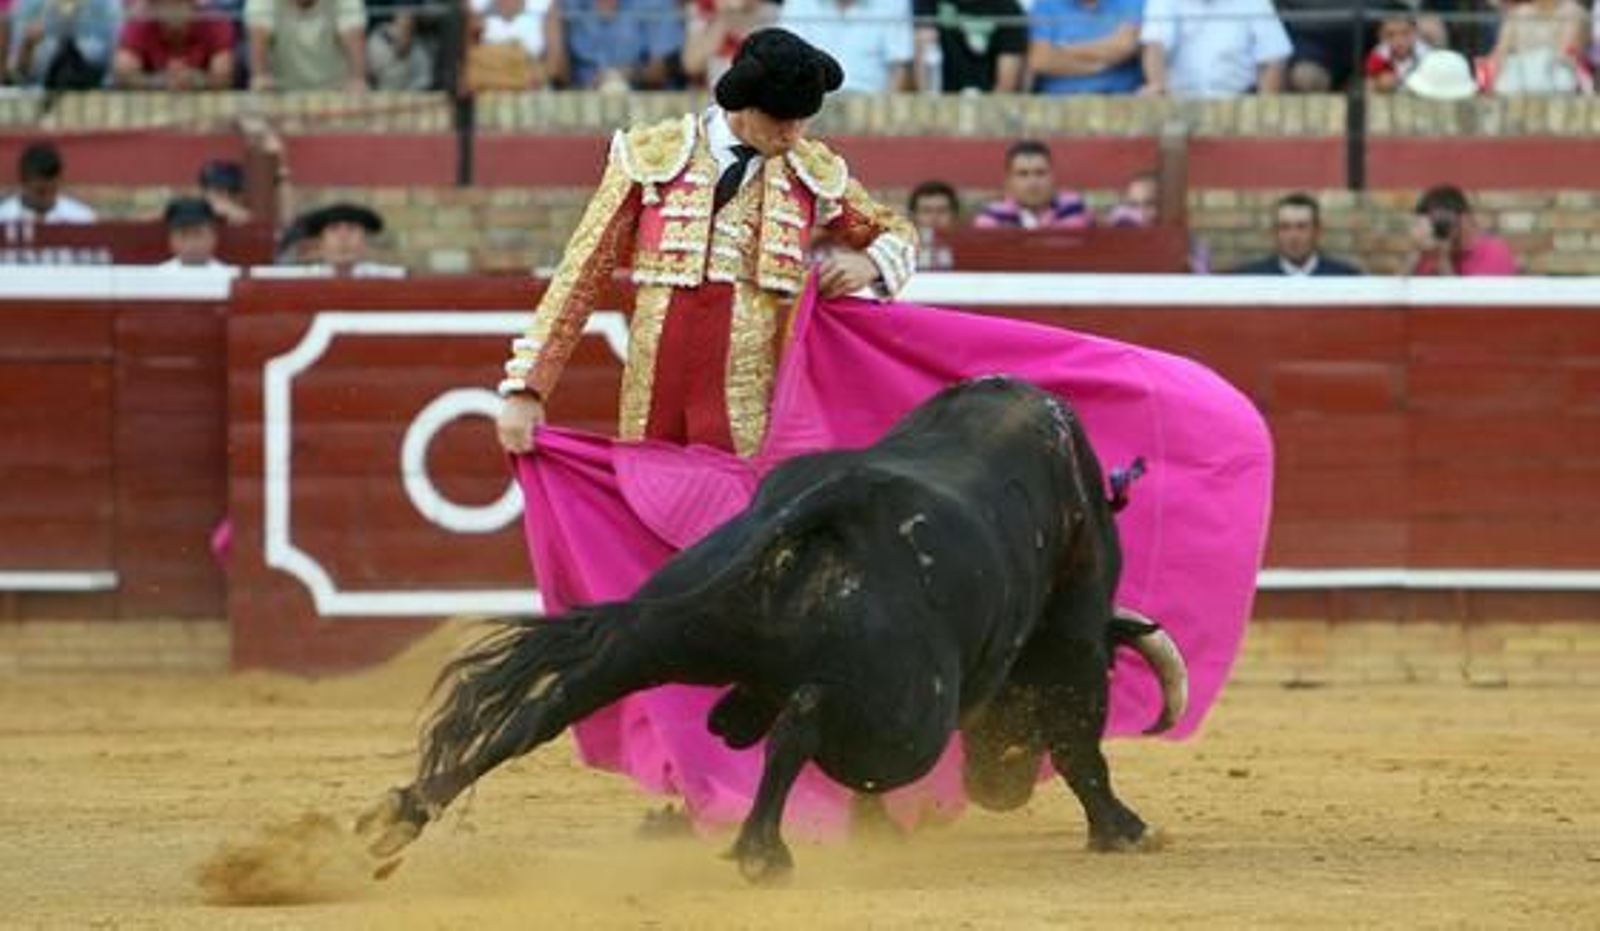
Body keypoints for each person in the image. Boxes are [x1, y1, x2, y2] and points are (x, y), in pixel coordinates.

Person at [497, 28, 916, 461]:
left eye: (803, 119)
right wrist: (526, 388)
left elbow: (896, 231)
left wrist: (871, 264)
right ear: (742, 104)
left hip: (750, 393)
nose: (793, 133)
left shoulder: (811, 172)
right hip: (653, 387)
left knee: (744, 518)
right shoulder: (653, 155)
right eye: (780, 119)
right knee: (649, 506)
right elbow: (582, 272)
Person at [1138, 0, 1292, 97]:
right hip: (1178, 105)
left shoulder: (1255, 2)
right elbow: (1154, 47)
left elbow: (1274, 58)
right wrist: (1158, 86)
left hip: (1240, 104)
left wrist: (1263, 113)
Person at [778, 0, 914, 93]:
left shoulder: (894, 4)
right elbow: (787, 61)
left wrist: (883, 115)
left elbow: (899, 67)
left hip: (871, 105)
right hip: (811, 104)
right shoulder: (798, 2)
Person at [244, 0, 367, 91]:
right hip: (282, 94)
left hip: (336, 93)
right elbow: (258, 78)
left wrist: (357, 83)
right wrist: (261, 82)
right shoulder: (260, 3)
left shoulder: (348, 2)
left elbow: (358, 77)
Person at [111, 0, 235, 89]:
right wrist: (160, 81)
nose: (172, 7)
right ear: (153, 5)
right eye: (163, 2)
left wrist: (194, 80)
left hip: (204, 103)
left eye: (179, 2)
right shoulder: (139, 23)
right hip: (152, 102)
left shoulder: (214, 22)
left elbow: (224, 76)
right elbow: (122, 73)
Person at [1027, 0, 1142, 96]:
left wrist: (1062, 48)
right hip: (1057, 106)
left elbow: (1123, 46)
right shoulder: (1046, 4)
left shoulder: (1129, 1)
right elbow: (1040, 60)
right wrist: (1098, 66)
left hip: (1120, 101)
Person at [562, 0, 683, 90]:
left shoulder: (655, 3)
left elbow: (662, 69)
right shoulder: (567, 4)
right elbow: (555, 71)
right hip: (580, 100)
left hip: (642, 100)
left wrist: (628, 74)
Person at [1231, 192, 1360, 276]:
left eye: (1302, 227)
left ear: (1317, 232)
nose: (1293, 236)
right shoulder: (1251, 277)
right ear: (1274, 233)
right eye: (1285, 227)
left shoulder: (1345, 277)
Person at [973, 139, 1091, 229]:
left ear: (1052, 177)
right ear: (1009, 182)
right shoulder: (992, 217)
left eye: (1040, 173)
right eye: (1023, 174)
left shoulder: (1072, 207)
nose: (1033, 182)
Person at [915, 0, 1027, 93]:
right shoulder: (928, 2)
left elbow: (1006, 82)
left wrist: (987, 115)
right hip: (941, 100)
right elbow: (923, 54)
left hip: (986, 103)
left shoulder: (1008, 8)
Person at [1405, 184, 1517, 277]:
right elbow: (1398, 296)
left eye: (1444, 219)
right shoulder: (1430, 253)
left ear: (1464, 218)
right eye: (1432, 221)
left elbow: (1466, 301)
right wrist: (1415, 252)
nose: (1440, 227)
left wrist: (1443, 259)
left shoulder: (1493, 251)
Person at [6, 0, 120, 88]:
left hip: (95, 94)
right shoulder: (29, 4)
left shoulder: (107, 4)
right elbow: (18, 74)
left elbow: (112, 72)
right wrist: (27, 46)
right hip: (39, 93)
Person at [1487, 0, 1589, 96]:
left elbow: (1568, 53)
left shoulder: (1574, 13)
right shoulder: (1518, 14)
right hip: (1518, 78)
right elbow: (1499, 54)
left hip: (1557, 76)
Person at [465, 0, 567, 90]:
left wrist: (531, 78)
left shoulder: (545, 4)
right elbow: (467, 59)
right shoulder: (475, 4)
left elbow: (554, 66)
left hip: (533, 89)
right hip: (487, 90)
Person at [680, 0, 777, 86]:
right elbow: (691, 65)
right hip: (713, 96)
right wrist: (723, 19)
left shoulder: (776, 13)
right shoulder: (701, 9)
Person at [296, 202, 406, 277]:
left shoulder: (388, 277)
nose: (343, 237)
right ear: (322, 241)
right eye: (333, 229)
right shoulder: (303, 278)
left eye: (352, 229)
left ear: (364, 240)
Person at [0, 141, 97, 224]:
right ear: (23, 182)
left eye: (52, 190)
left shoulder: (82, 219)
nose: (47, 197)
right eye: (40, 192)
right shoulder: (3, 217)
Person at [1365, 3, 1433, 94]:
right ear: (1380, 36)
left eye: (1405, 33)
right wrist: (1379, 84)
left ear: (1416, 32)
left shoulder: (1427, 56)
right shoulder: (1378, 55)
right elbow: (1368, 86)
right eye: (1390, 35)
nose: (1399, 41)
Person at [156, 196, 228, 269]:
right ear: (171, 240)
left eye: (198, 234)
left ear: (213, 237)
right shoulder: (156, 276)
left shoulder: (232, 276)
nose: (191, 244)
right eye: (183, 236)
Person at [908, 179, 959, 270]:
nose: (934, 217)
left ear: (954, 216)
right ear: (913, 217)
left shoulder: (967, 253)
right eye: (926, 211)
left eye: (942, 210)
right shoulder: (901, 255)